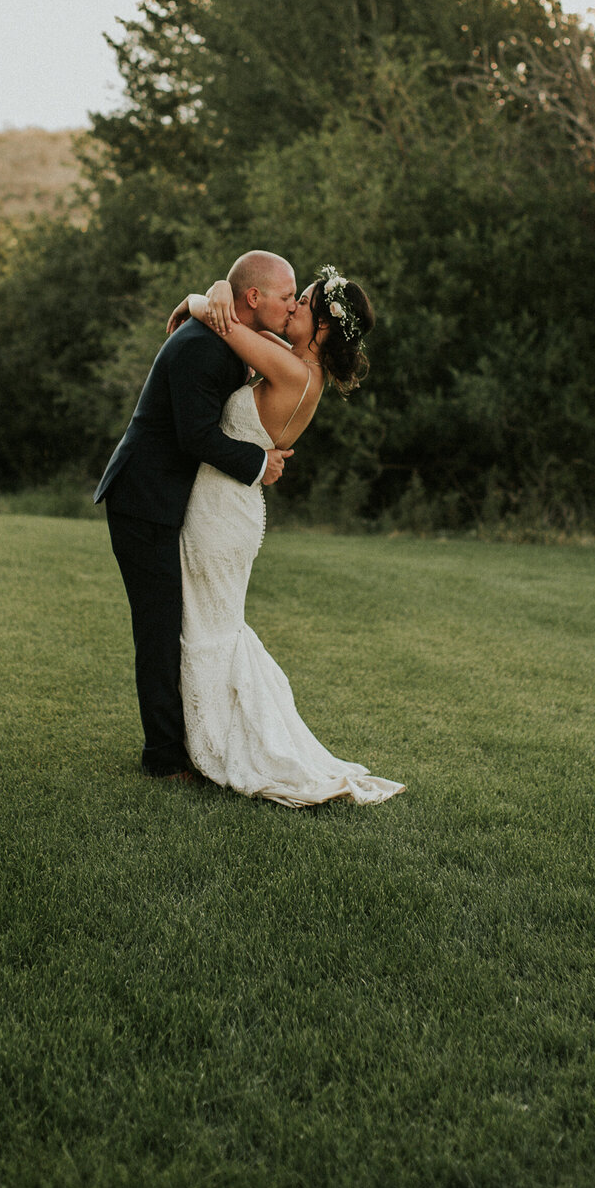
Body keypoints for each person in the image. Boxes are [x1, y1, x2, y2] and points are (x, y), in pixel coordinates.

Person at [164, 264, 404, 807]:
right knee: (213, 623)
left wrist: (199, 296)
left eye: (303, 303)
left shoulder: (294, 372)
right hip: (231, 505)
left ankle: (214, 745)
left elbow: (218, 320)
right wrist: (216, 292)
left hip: (222, 510)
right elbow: (227, 314)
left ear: (321, 326)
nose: (291, 307)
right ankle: (205, 735)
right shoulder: (291, 361)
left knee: (206, 629)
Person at [93, 251, 298, 778]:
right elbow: (197, 436)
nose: (292, 305)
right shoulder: (203, 349)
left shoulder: (223, 336)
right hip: (144, 499)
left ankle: (185, 739)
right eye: (285, 296)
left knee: (174, 623)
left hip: (164, 498)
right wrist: (261, 462)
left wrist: (203, 297)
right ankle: (162, 757)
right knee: (159, 630)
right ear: (253, 298)